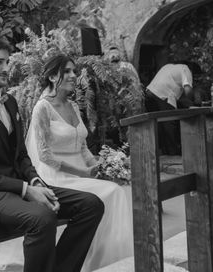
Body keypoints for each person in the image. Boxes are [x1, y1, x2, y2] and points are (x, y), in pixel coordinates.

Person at [0, 37, 104, 272]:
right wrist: (26, 190)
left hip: (16, 187)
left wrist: (34, 181)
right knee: (42, 218)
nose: (6, 68)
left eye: (7, 61)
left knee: (90, 205)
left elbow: (21, 155)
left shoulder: (10, 102)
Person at [26, 54, 133, 271]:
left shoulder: (74, 106)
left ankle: (107, 261)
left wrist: (100, 167)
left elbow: (82, 146)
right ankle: (91, 262)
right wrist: (81, 172)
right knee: (111, 194)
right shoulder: (42, 108)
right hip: (56, 175)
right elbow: (44, 155)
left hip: (81, 172)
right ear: (53, 76)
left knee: (120, 190)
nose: (74, 75)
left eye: (74, 71)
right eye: (67, 71)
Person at [145, 62, 194, 155]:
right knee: (169, 122)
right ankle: (173, 152)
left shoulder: (168, 67)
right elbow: (188, 91)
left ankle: (159, 151)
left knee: (157, 123)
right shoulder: (186, 69)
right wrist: (193, 102)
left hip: (150, 93)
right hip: (163, 94)